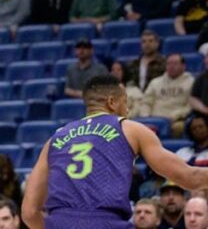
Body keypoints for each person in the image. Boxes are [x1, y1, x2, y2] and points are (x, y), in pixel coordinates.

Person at [22, 74, 208, 229]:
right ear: (112, 102)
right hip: (106, 222)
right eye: (125, 103)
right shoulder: (130, 129)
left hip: (60, 222)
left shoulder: (54, 139)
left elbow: (29, 212)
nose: (127, 110)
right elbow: (190, 178)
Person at [139, 53, 194, 137]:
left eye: (175, 64)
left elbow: (191, 105)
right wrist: (146, 117)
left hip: (177, 119)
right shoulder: (155, 82)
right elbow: (146, 102)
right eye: (169, 63)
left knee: (178, 127)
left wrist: (176, 116)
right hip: (155, 119)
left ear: (183, 66)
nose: (171, 66)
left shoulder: (191, 82)